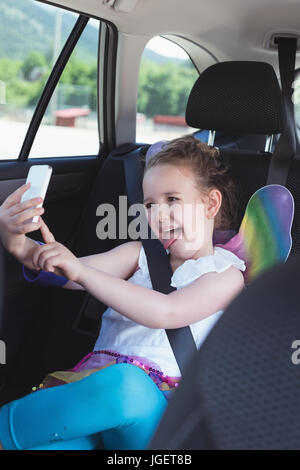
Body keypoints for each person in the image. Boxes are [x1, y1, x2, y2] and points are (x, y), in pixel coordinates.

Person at [0, 135, 246, 450]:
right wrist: (17, 243)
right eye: (149, 205)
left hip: (163, 421)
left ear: (210, 203)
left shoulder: (226, 274)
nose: (158, 215)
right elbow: (68, 273)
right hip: (100, 403)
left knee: (127, 384)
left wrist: (81, 272)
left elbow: (166, 313)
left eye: (172, 199)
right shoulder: (141, 255)